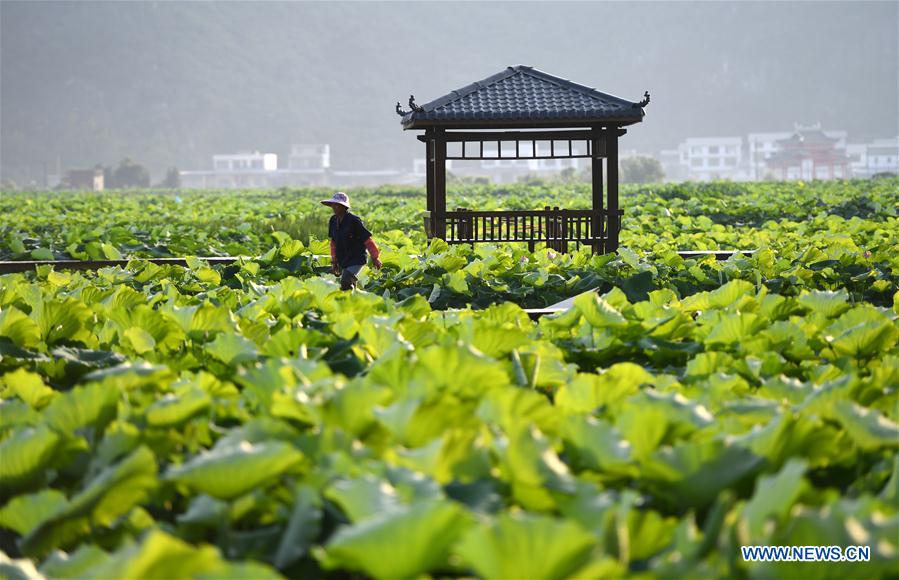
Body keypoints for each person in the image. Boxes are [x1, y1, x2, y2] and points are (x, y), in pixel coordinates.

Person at [320, 191, 382, 290]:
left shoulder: (354, 221)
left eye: (338, 205)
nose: (334, 207)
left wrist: (375, 258)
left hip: (356, 258)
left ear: (344, 207)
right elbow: (333, 242)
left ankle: (350, 300)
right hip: (342, 258)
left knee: (346, 280)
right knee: (342, 282)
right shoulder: (333, 220)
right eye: (333, 205)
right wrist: (334, 260)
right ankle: (353, 299)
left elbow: (367, 240)